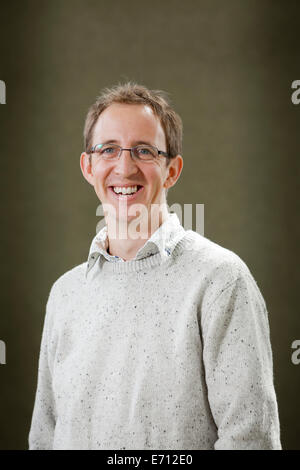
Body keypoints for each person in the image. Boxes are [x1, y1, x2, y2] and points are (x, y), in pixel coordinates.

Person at [28, 82, 282, 450]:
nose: (124, 167)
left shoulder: (221, 280)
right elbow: (44, 436)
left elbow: (250, 438)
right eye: (108, 149)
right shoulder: (65, 294)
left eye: (144, 151)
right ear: (88, 166)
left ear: (172, 170)